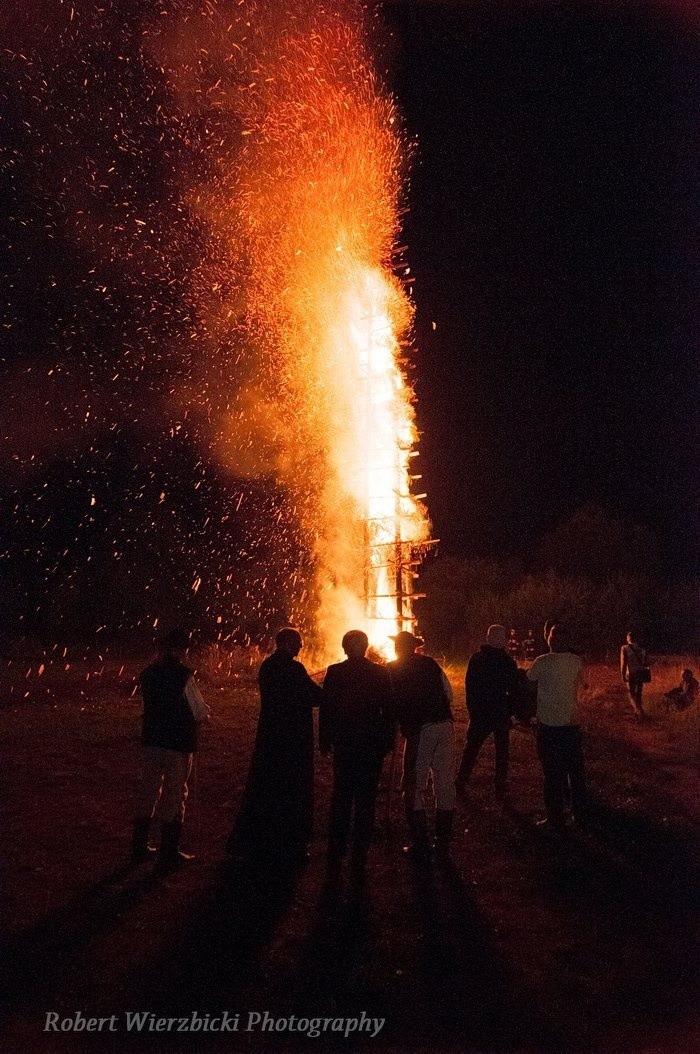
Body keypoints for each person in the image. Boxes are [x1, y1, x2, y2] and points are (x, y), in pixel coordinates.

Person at [227, 627, 322, 864]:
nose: (301, 646)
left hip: (270, 735)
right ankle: (288, 841)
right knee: (292, 787)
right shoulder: (294, 668)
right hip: (292, 738)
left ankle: (260, 837)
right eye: (298, 642)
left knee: (266, 783)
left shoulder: (268, 666)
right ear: (288, 643)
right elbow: (312, 697)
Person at [132, 628, 209, 872]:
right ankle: (169, 850)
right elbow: (198, 711)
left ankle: (139, 845)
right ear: (177, 650)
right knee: (175, 794)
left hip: (152, 741)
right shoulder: (183, 676)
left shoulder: (147, 674)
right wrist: (206, 713)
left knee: (148, 789)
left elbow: (145, 708)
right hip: (176, 743)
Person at [320, 630, 393, 881]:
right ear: (365, 647)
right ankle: (361, 842)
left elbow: (327, 710)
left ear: (344, 648)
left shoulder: (335, 672)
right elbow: (388, 711)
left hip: (346, 743)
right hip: (370, 744)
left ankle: (338, 842)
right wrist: (387, 741)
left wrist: (325, 740)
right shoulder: (380, 673)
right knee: (366, 794)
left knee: (343, 792)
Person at [388, 631, 455, 862]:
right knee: (444, 783)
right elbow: (449, 693)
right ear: (414, 647)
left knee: (412, 784)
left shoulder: (392, 668)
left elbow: (391, 703)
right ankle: (442, 843)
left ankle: (421, 842)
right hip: (445, 725)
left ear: (398, 647)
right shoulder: (430, 664)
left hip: (421, 730)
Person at [527, 624, 587, 831]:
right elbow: (583, 684)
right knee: (575, 772)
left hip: (549, 727)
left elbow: (528, 680)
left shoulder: (541, 662)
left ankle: (555, 818)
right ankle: (579, 814)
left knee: (552, 775)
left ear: (549, 640)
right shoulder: (576, 661)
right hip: (571, 725)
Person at [455, 624, 518, 802]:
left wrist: (473, 710)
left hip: (483, 712)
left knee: (472, 748)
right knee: (501, 752)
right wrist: (509, 711)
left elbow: (470, 687)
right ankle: (499, 787)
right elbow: (514, 691)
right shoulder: (507, 662)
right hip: (498, 712)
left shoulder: (478, 659)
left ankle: (461, 781)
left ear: (488, 639)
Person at [620, 630, 650, 718]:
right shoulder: (642, 648)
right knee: (639, 693)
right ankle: (638, 712)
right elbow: (646, 662)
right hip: (641, 672)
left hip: (631, 673)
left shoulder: (624, 648)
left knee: (632, 693)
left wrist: (622, 675)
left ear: (628, 638)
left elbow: (623, 663)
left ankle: (638, 711)